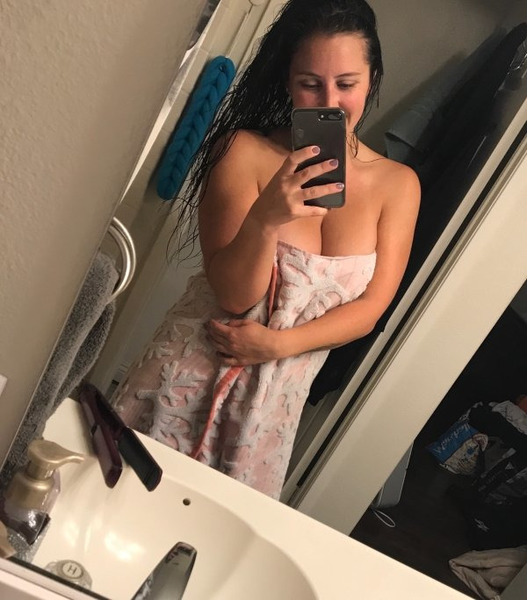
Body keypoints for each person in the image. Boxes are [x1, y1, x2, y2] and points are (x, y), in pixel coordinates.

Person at [113, 0, 420, 499]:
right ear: (287, 82)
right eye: (310, 83)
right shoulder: (241, 151)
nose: (330, 101)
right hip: (189, 375)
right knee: (118, 504)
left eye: (347, 83)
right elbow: (235, 296)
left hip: (273, 407)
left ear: (372, 79)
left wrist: (277, 346)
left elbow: (371, 308)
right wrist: (266, 217)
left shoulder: (399, 186)